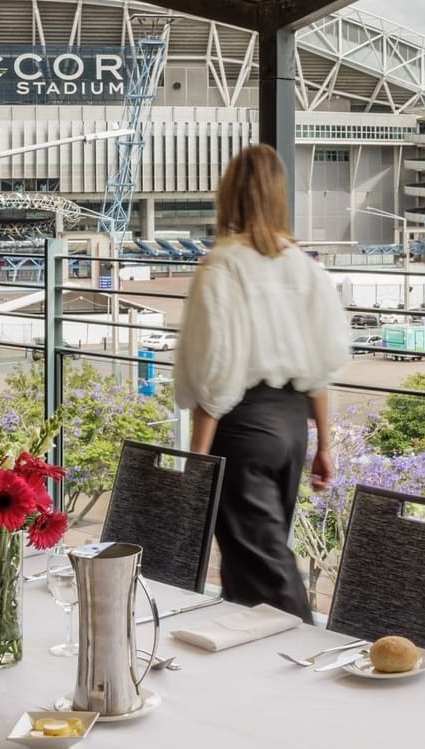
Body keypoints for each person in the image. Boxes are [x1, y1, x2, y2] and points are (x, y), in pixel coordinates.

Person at [177, 144, 349, 622]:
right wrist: (323, 445)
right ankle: (256, 679)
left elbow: (217, 371)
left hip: (243, 429)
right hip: (291, 430)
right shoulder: (304, 265)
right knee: (252, 559)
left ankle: (310, 666)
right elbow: (320, 365)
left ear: (229, 193)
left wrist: (198, 461)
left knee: (263, 572)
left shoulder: (223, 264)